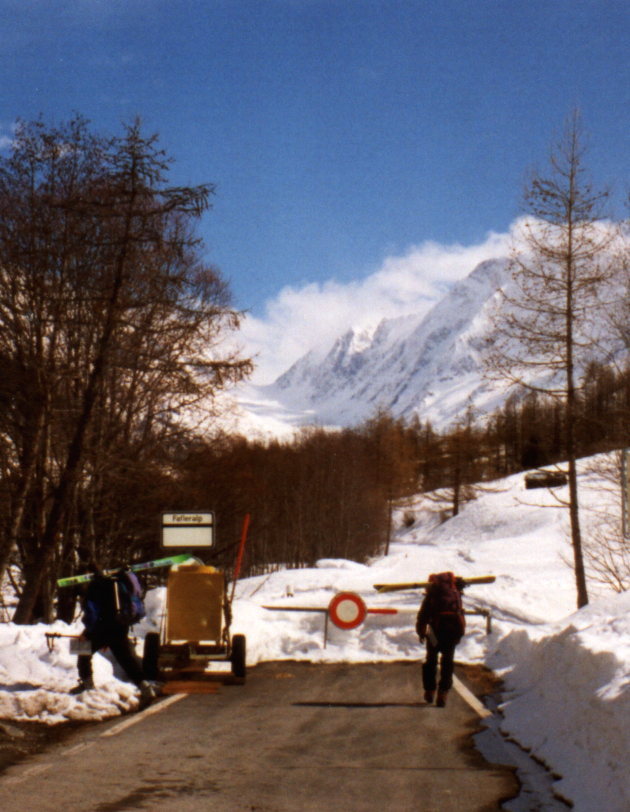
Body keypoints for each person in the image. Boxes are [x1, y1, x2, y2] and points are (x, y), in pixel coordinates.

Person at [71, 570, 157, 703]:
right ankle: (145, 687)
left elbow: (92, 613)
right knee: (126, 660)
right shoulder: (117, 582)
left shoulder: (95, 586)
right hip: (120, 626)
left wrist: (87, 632)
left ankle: (87, 684)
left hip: (102, 627)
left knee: (80, 647)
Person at [416, 572, 466, 707]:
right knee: (447, 661)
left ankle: (429, 690)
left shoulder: (432, 593)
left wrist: (421, 632)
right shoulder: (455, 590)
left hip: (433, 631)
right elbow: (460, 610)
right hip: (452, 630)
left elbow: (423, 615)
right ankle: (443, 692)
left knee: (431, 660)